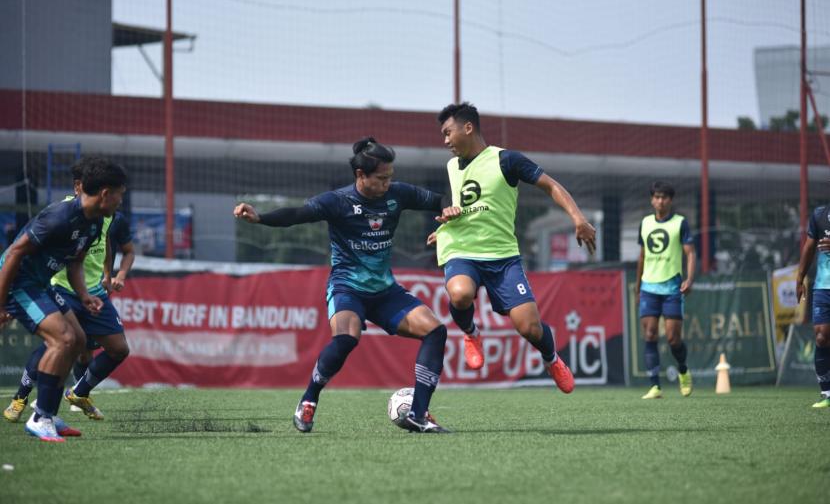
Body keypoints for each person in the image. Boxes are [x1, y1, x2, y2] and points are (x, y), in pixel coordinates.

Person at [234, 138, 450, 433]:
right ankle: (309, 399)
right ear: (361, 176)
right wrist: (260, 218)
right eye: (382, 178)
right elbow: (298, 214)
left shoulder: (397, 195)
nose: (389, 183)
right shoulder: (338, 201)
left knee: (436, 331)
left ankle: (418, 413)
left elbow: (440, 199)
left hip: (386, 292)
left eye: (391, 177)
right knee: (347, 338)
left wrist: (446, 220)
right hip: (347, 287)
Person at [431, 102, 595, 393]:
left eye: (448, 133)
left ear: (468, 128)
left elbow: (551, 186)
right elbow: (465, 207)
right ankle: (471, 333)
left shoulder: (506, 160)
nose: (445, 141)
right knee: (460, 294)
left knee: (529, 328)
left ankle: (552, 358)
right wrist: (445, 223)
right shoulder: (451, 166)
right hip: (461, 248)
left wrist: (578, 218)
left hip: (502, 256)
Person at [0, 157, 126, 441]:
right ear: (105, 193)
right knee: (63, 340)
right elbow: (15, 253)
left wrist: (83, 295)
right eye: (120, 194)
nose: (121, 201)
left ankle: (48, 414)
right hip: (19, 283)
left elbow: (75, 262)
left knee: (79, 341)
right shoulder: (59, 217)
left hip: (41, 283)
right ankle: (39, 417)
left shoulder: (94, 223)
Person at [635, 181, 695, 399]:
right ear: (652, 200)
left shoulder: (680, 223)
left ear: (670, 200)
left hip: (672, 287)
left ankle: (683, 370)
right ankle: (655, 386)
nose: (660, 201)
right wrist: (638, 287)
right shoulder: (645, 223)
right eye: (657, 197)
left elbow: (690, 253)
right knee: (650, 334)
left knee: (673, 339)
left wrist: (689, 278)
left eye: (664, 197)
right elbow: (641, 256)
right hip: (649, 287)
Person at [796, 204, 830, 409]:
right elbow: (809, 247)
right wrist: (799, 278)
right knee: (821, 335)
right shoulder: (819, 215)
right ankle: (826, 392)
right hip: (823, 286)